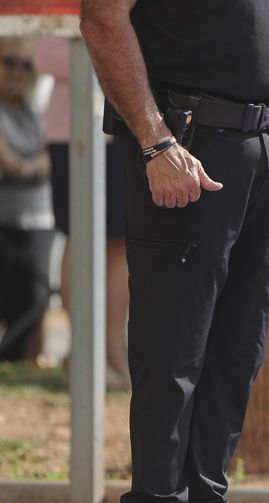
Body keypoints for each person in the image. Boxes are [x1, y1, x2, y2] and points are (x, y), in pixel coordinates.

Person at [80, 0, 269, 503]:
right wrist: (155, 141)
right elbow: (103, 18)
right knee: (174, 361)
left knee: (232, 362)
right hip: (186, 143)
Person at [33, 37, 131, 389]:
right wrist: (119, 46)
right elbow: (46, 56)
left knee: (122, 240)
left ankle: (113, 351)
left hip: (129, 126)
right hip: (74, 128)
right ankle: (82, 353)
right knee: (82, 234)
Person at [0, 38, 55, 363]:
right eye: (9, 62)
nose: (18, 71)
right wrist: (36, 164)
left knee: (35, 299)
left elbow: (37, 162)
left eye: (26, 64)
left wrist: (27, 166)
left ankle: (21, 362)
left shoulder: (34, 110)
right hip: (4, 220)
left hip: (36, 219)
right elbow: (11, 164)